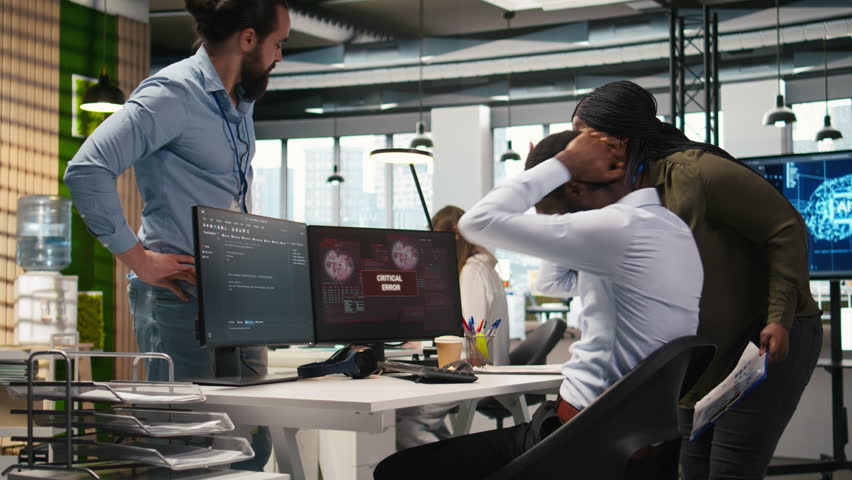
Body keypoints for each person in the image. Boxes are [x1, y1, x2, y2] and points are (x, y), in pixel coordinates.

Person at [373, 128, 703, 480]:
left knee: (398, 469)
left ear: (573, 187)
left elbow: (476, 222)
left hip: (575, 439)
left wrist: (563, 164)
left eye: (541, 205)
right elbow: (553, 284)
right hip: (631, 444)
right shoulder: (669, 227)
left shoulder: (618, 227)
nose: (540, 216)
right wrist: (564, 213)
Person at [63, 0, 292, 470]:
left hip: (237, 294)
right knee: (185, 451)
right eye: (278, 44)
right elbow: (87, 169)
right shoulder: (172, 93)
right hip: (179, 296)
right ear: (247, 39)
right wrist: (139, 259)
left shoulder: (239, 102)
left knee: (251, 445)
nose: (279, 57)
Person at [569, 80, 823, 479]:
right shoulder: (630, 193)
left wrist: (778, 317)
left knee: (730, 467)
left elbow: (787, 228)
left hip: (766, 338)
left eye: (581, 139)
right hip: (709, 352)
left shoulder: (695, 173)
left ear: (616, 141)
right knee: (694, 466)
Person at [395, 205, 510, 450]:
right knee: (418, 416)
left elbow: (475, 338)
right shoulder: (483, 267)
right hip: (478, 367)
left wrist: (427, 348)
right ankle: (452, 463)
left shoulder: (472, 272)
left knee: (411, 420)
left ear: (452, 236)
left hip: (475, 371)